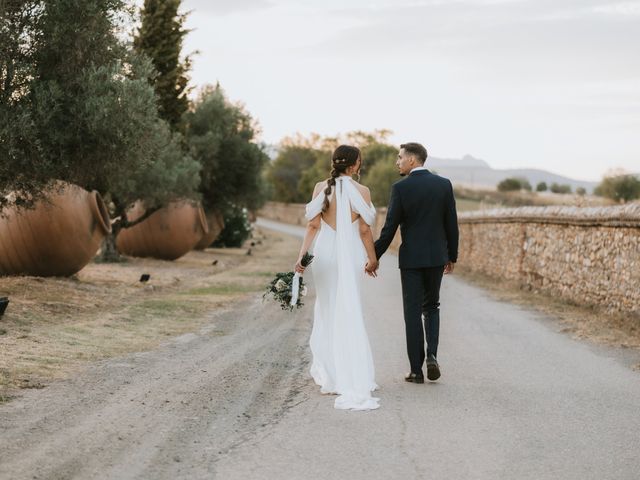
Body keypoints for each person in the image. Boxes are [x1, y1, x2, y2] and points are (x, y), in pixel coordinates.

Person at [295, 145, 380, 411]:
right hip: (350, 255)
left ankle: (330, 374)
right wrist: (372, 258)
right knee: (348, 310)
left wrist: (301, 258)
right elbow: (365, 230)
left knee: (327, 308)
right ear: (355, 165)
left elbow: (313, 225)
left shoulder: (321, 187)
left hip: (324, 253)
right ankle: (350, 372)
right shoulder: (362, 191)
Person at [371, 142, 459, 383]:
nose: (397, 162)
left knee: (412, 313)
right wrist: (452, 256)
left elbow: (389, 229)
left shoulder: (401, 188)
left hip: (411, 260)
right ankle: (431, 355)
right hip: (436, 258)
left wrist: (373, 257)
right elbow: (451, 223)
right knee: (431, 307)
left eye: (400, 158)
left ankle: (416, 371)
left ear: (412, 160)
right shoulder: (443, 185)